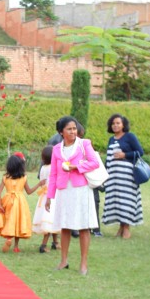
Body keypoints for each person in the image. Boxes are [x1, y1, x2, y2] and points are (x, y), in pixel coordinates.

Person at [45, 117, 100, 275]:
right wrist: (50, 196)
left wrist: (77, 167)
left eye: (74, 128)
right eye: (69, 129)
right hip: (64, 190)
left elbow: (94, 162)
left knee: (84, 226)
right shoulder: (56, 149)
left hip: (81, 188)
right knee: (65, 226)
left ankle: (83, 263)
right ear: (61, 132)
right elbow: (54, 174)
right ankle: (64, 261)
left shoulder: (84, 144)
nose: (73, 132)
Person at [102, 113, 144, 239]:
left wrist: (124, 155)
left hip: (127, 176)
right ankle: (121, 227)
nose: (115, 125)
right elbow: (109, 158)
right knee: (117, 201)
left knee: (127, 200)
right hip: (114, 177)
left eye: (118, 123)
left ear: (123, 124)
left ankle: (126, 228)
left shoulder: (130, 137)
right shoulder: (111, 139)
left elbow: (140, 152)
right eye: (113, 123)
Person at [0, 153, 36, 253]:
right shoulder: (24, 177)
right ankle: (16, 246)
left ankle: (9, 238)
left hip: (8, 200)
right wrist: (39, 184)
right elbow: (29, 192)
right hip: (20, 202)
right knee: (18, 222)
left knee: (9, 220)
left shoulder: (5, 177)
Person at [32, 146, 57, 253]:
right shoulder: (53, 167)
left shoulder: (43, 168)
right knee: (49, 220)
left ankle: (55, 242)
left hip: (43, 197)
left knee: (53, 220)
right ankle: (43, 245)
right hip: (51, 196)